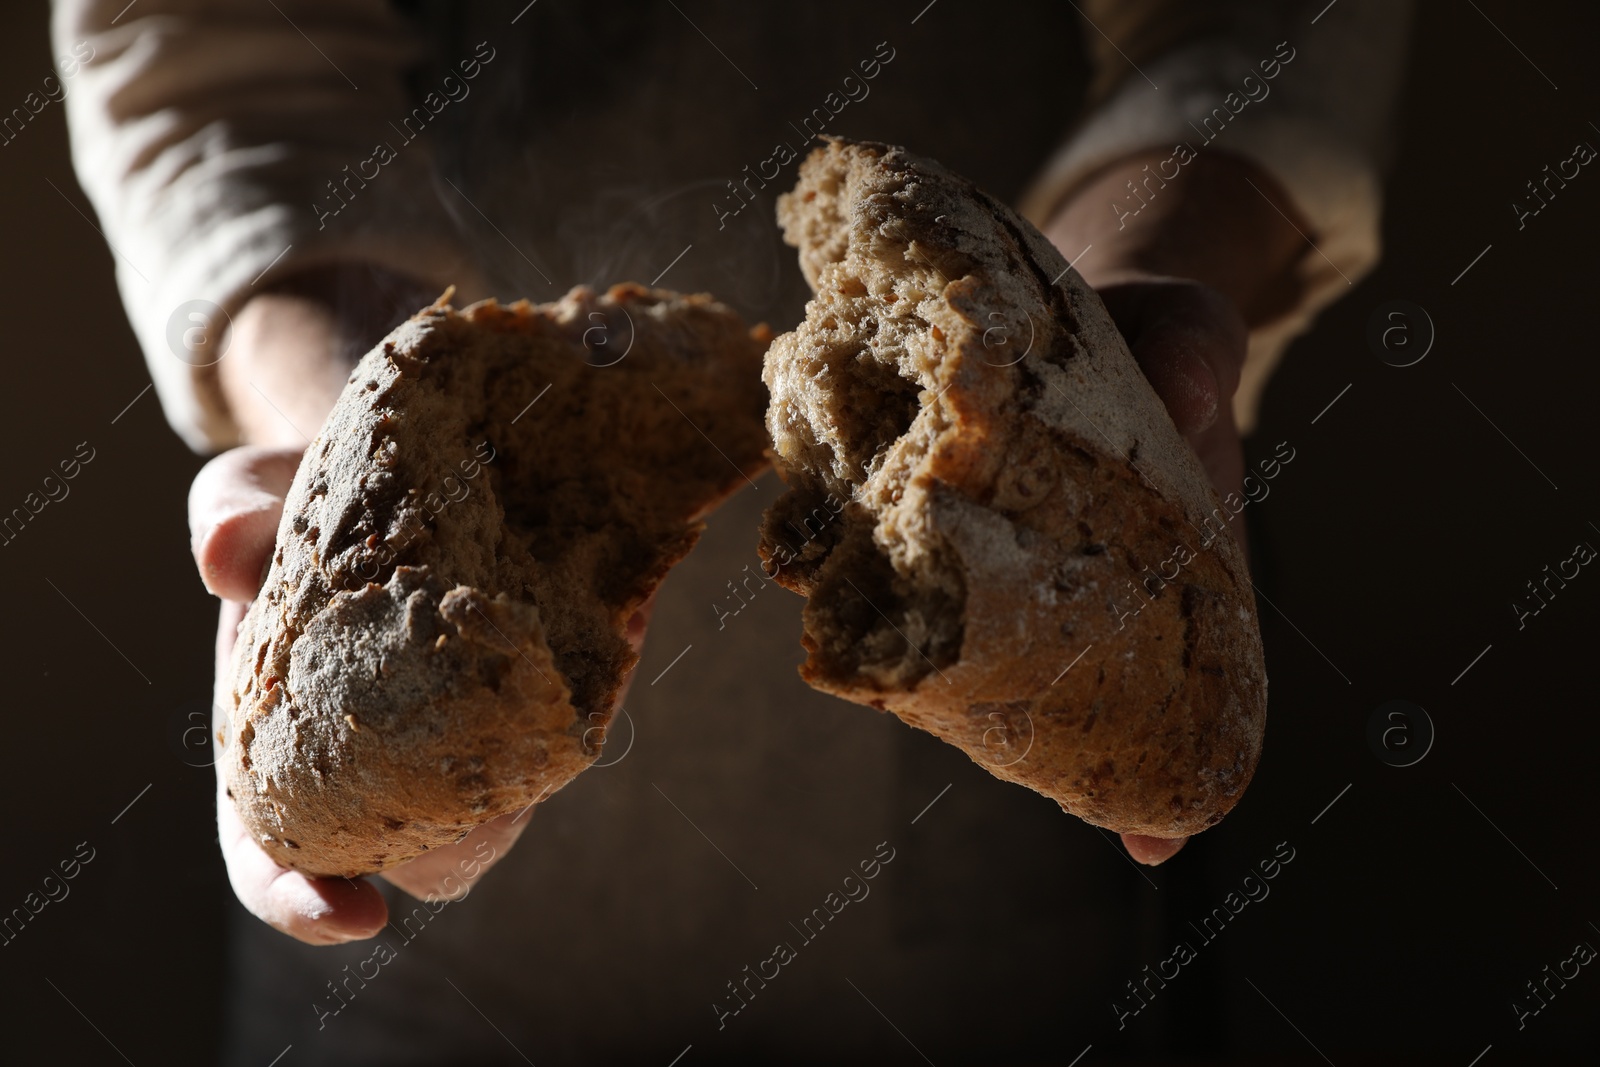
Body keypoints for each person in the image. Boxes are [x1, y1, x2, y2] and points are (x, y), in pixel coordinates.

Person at [55, 0, 1412, 1060]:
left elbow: (1259, 21)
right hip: (432, 989)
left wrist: (1123, 313)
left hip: (1006, 940)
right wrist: (344, 434)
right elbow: (212, 52)